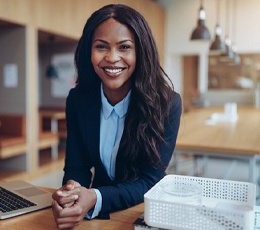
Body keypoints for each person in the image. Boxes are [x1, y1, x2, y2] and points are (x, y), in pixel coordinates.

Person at [52, 4, 182, 229]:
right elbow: (77, 166)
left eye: (124, 47)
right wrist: (71, 194)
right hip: (97, 216)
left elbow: (151, 181)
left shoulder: (167, 104)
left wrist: (94, 197)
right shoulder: (78, 100)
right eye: (101, 46)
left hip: (140, 213)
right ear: (89, 52)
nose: (112, 58)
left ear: (140, 52)